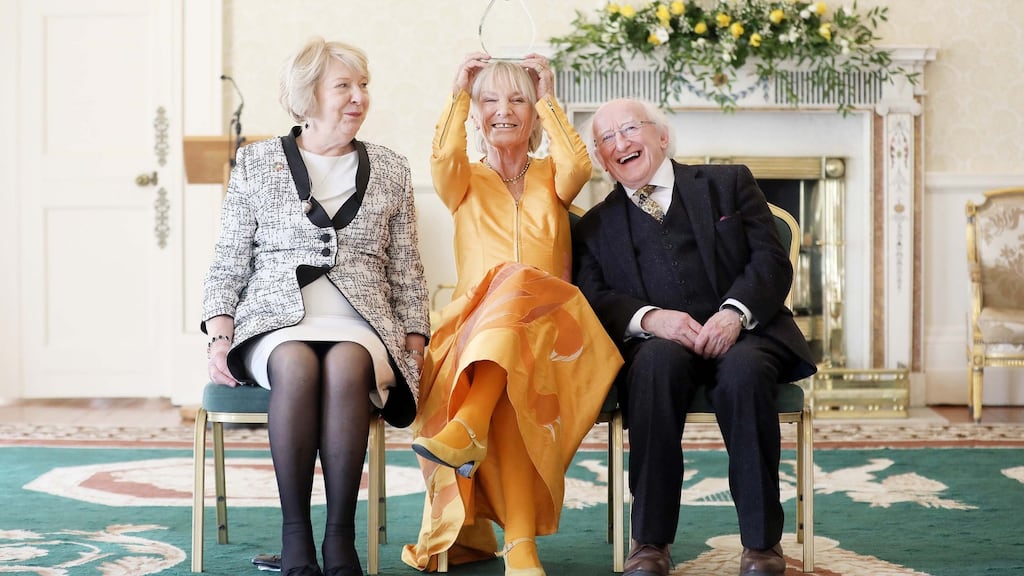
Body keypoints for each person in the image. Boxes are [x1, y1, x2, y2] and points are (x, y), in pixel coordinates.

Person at [201, 37, 430, 576]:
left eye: (363, 86)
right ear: (307, 96)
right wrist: (218, 333)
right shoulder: (257, 163)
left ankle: (340, 540)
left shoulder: (391, 168)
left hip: (362, 321)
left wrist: (416, 340)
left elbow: (406, 267)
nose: (358, 97)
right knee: (296, 364)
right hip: (275, 321)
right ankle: (296, 537)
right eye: (343, 86)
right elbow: (230, 257)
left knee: (348, 363)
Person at [572, 98, 818, 576]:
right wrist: (650, 319)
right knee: (654, 368)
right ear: (602, 160)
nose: (620, 143)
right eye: (606, 139)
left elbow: (770, 260)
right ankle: (650, 544)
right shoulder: (596, 226)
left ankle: (762, 546)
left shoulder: (728, 184)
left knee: (745, 374)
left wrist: (734, 313)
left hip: (745, 333)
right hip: (658, 343)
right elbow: (593, 296)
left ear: (662, 137)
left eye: (629, 129)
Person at [400, 53, 623, 576]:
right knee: (505, 377)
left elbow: (579, 165)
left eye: (518, 99)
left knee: (520, 280)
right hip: (476, 337)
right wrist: (457, 92)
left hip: (554, 334)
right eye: (490, 100)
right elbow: (442, 158)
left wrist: (547, 92)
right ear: (476, 115)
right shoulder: (464, 183)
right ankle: (520, 546)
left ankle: (466, 426)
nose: (505, 109)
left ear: (534, 115)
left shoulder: (553, 178)